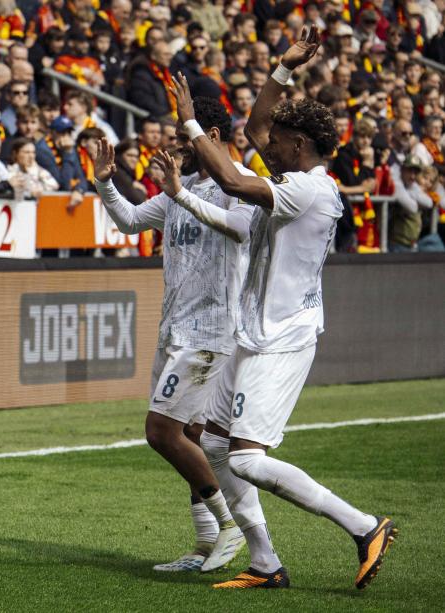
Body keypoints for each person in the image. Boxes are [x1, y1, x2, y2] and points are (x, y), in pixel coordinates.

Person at [169, 27, 396, 590]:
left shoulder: (309, 190)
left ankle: (364, 526)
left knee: (245, 459)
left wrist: (191, 124)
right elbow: (254, 127)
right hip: (253, 333)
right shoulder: (294, 175)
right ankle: (265, 563)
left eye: (276, 141)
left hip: (282, 339)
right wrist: (283, 68)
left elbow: (229, 177)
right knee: (211, 443)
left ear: (298, 144)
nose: (263, 144)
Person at [96, 93, 257, 573]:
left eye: (181, 135)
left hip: (211, 332)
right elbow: (129, 222)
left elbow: (241, 229)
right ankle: (205, 544)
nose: (173, 144)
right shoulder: (179, 185)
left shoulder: (239, 182)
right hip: (175, 328)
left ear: (209, 136)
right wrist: (105, 183)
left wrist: (180, 194)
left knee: (161, 431)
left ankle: (229, 525)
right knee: (189, 435)